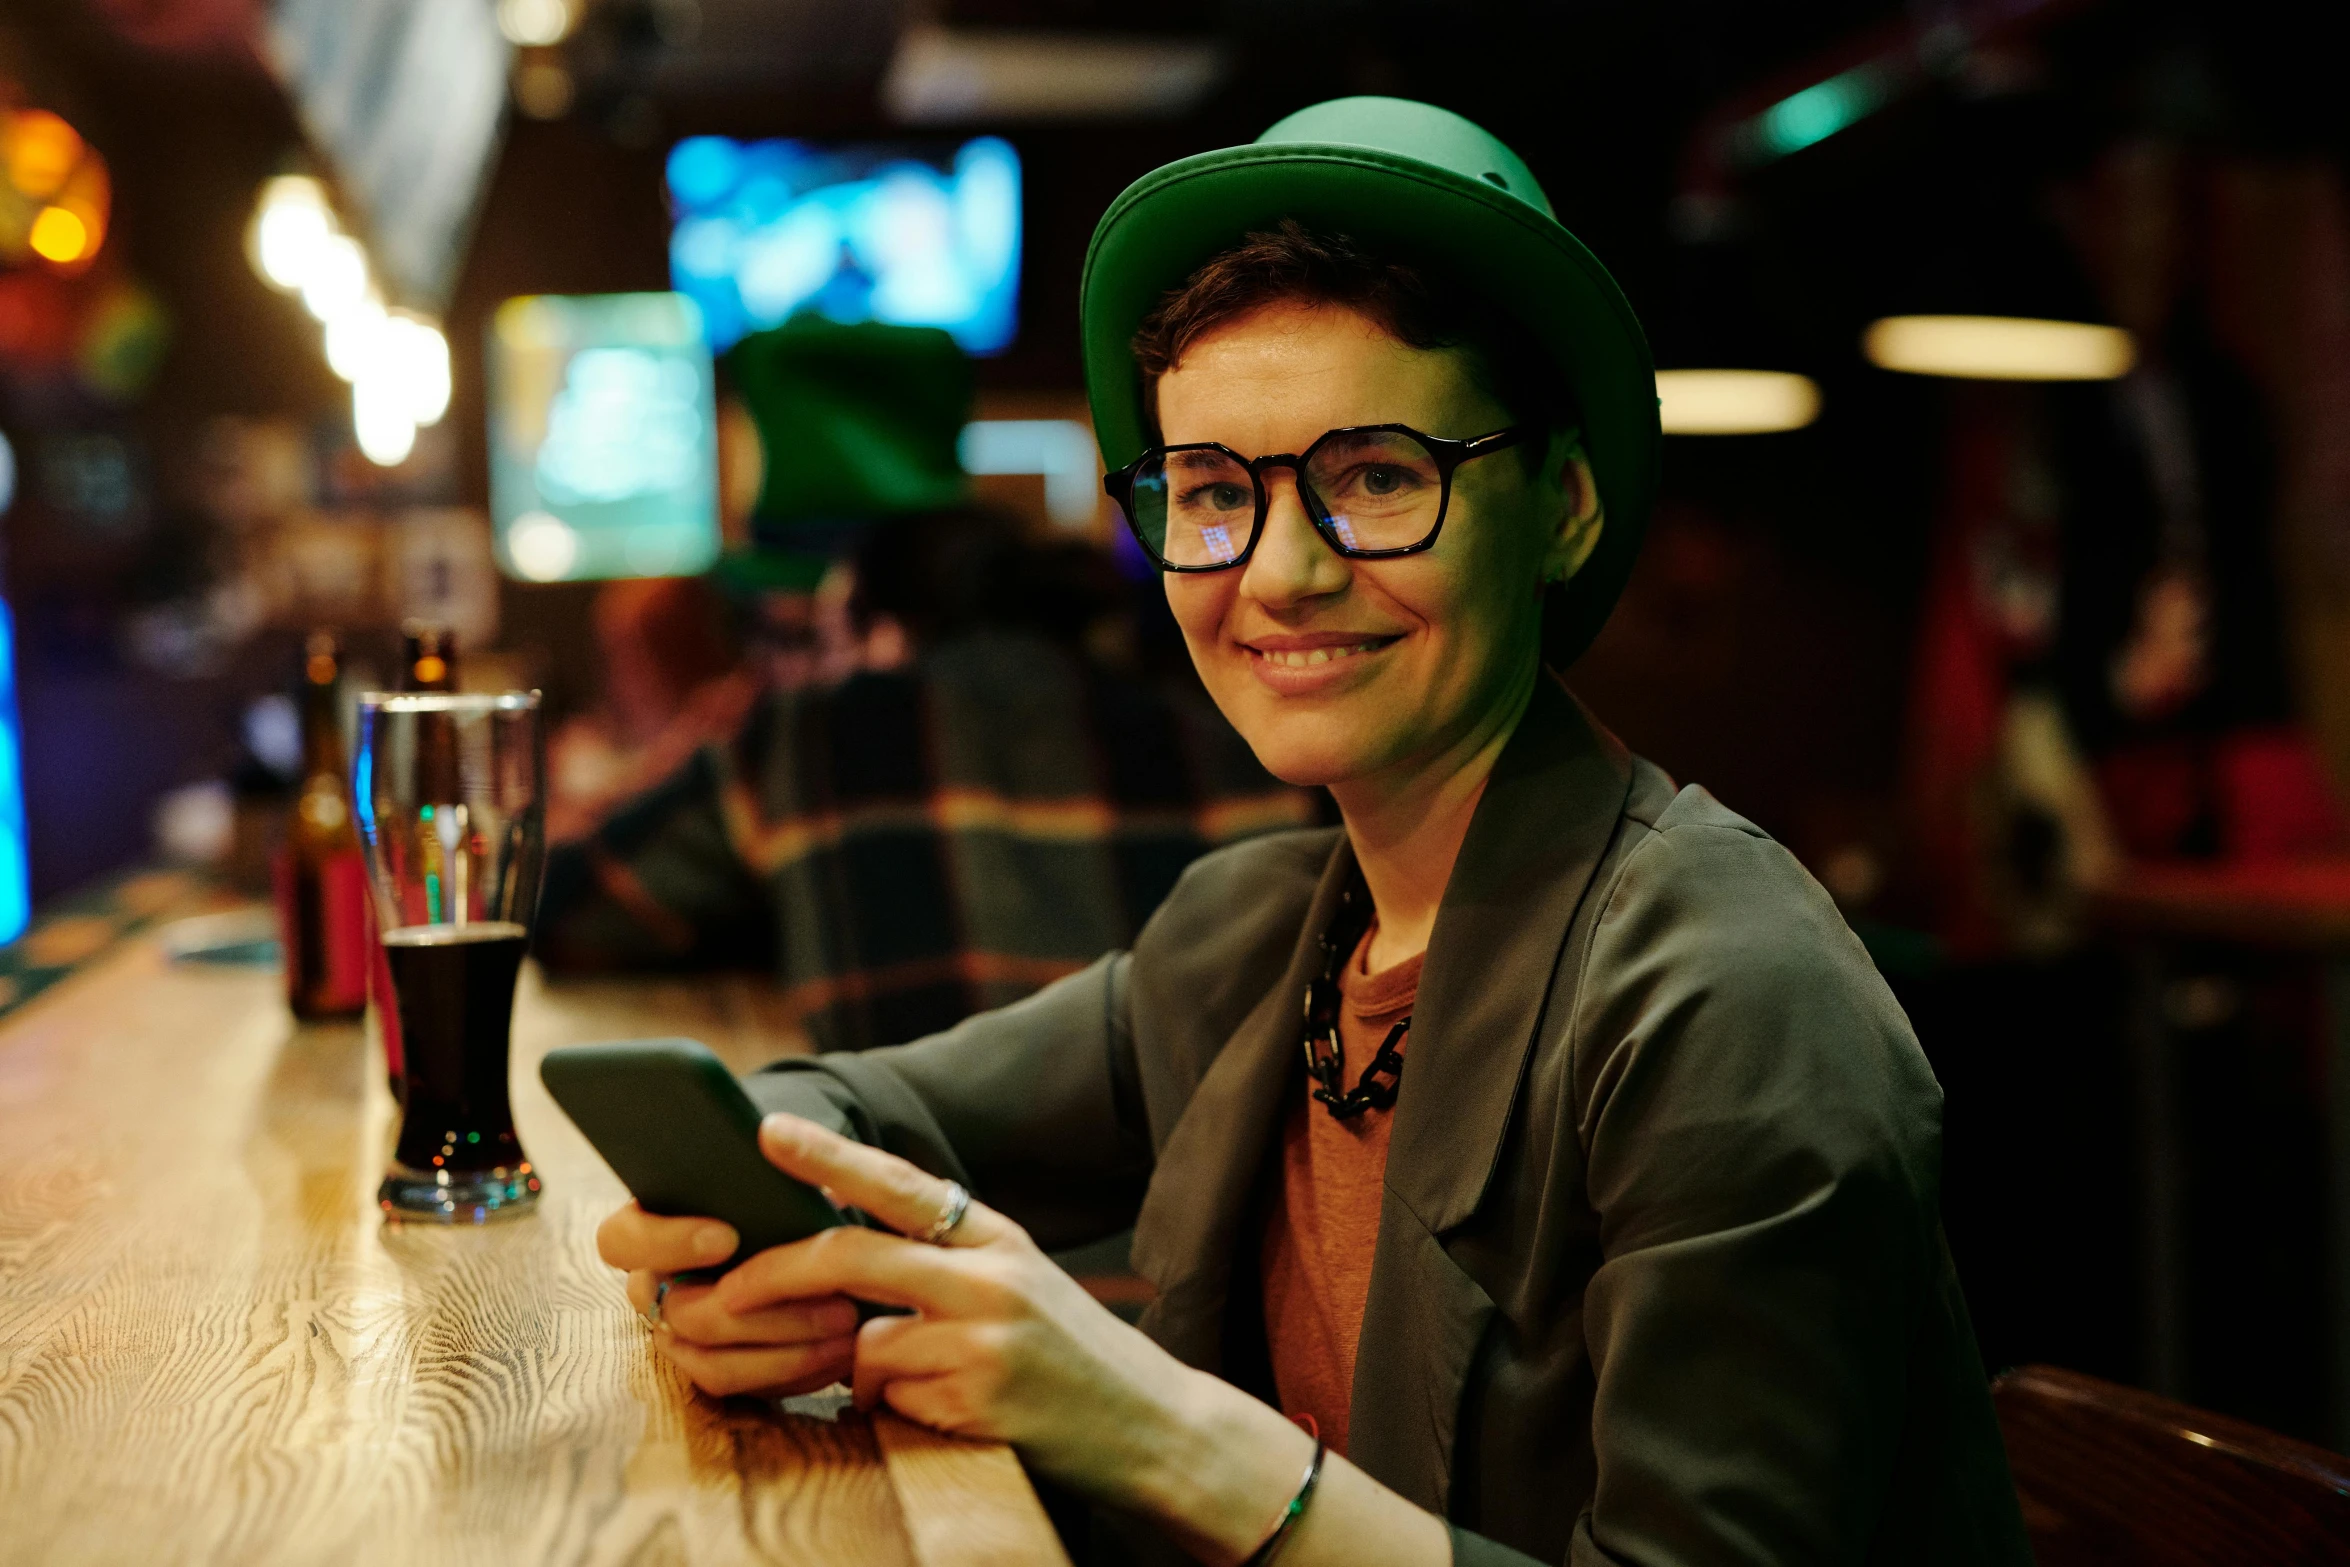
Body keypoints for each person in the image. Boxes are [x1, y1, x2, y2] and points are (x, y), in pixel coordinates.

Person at [596, 99, 2032, 1565]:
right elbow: (832, 1108)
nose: (1276, 572)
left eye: (1374, 478)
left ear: (1564, 503)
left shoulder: (1724, 997)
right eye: (1212, 494)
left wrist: (1152, 1424)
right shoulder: (1257, 933)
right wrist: (749, 1246)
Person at [538, 319, 1314, 1051]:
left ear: (863, 615)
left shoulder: (805, 737)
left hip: (909, 1182)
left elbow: (559, 907)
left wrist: (706, 743)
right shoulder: (1235, 738)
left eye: (800, 629)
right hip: (1200, 1186)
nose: (783, 655)